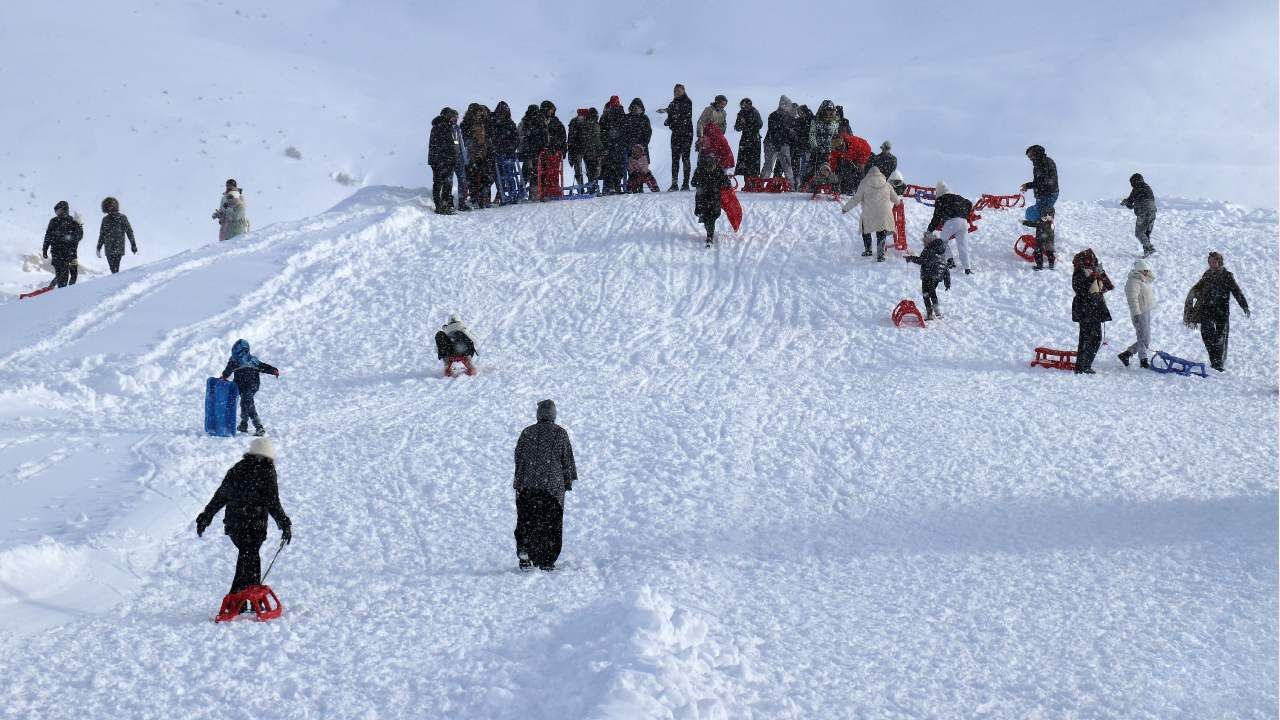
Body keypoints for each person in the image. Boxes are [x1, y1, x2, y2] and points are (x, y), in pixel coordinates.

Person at [196, 437, 292, 600]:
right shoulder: (267, 471)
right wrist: (284, 523)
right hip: (254, 525)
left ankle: (247, 598)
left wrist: (207, 515)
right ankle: (238, 598)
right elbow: (272, 502)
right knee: (250, 558)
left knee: (249, 557)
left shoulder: (238, 469)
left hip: (235, 525)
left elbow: (221, 496)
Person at [513, 399, 577, 572]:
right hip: (552, 489)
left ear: (538, 415)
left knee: (527, 520)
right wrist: (566, 482)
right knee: (551, 525)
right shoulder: (560, 434)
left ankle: (525, 551)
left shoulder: (527, 433)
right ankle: (547, 559)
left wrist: (518, 483)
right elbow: (567, 461)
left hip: (528, 486)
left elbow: (519, 459)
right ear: (553, 415)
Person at [1184, 251, 1250, 372]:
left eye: (1214, 261)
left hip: (1221, 311)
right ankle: (1214, 360)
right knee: (1207, 335)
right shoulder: (1207, 275)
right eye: (1209, 261)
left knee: (1220, 338)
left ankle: (1218, 363)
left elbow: (1236, 291)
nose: (1211, 263)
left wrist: (1244, 306)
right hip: (1206, 310)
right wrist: (1193, 294)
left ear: (1219, 262)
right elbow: (1199, 288)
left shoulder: (1227, 276)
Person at [219, 339, 280, 436]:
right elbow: (228, 370)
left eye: (239, 352)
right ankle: (243, 424)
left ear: (245, 351)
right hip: (241, 385)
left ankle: (259, 427)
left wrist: (272, 370)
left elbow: (263, 366)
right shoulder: (234, 360)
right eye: (236, 352)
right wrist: (224, 376)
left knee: (248, 402)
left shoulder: (252, 360)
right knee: (244, 403)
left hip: (252, 385)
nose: (238, 355)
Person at [841, 167, 900, 261]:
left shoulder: (864, 183)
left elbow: (856, 199)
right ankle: (880, 254)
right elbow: (896, 199)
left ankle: (868, 250)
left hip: (869, 212)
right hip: (883, 213)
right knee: (881, 233)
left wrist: (846, 208)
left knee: (866, 230)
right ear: (880, 174)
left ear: (868, 174)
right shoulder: (887, 184)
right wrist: (898, 203)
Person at [692, 123, 735, 247]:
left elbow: (725, 184)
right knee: (710, 215)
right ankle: (709, 235)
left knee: (710, 215)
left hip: (711, 197)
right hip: (707, 197)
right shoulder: (706, 170)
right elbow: (694, 182)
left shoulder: (711, 170)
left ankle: (709, 233)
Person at [1071, 249, 1113, 374]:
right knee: (1087, 338)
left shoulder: (1093, 271)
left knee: (1095, 338)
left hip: (1095, 308)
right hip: (1085, 309)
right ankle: (1082, 366)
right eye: (1092, 260)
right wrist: (1091, 278)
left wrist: (1101, 274)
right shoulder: (1079, 272)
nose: (1094, 262)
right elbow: (1080, 290)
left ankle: (1085, 365)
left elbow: (1105, 287)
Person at [926, 181, 976, 274]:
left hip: (951, 222)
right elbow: (969, 204)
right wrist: (963, 212)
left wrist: (930, 230)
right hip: (963, 222)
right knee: (963, 245)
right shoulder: (959, 198)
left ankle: (950, 261)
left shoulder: (940, 200)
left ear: (938, 192)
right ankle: (967, 268)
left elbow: (936, 218)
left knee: (943, 241)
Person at [1118, 258, 1156, 369]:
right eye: (1144, 270)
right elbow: (1132, 300)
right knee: (1143, 337)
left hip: (1146, 311)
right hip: (1139, 313)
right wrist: (1136, 314)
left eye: (1147, 270)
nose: (1147, 272)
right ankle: (1143, 360)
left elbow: (1152, 277)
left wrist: (1146, 269)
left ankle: (1127, 354)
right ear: (1139, 270)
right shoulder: (1133, 282)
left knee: (1145, 338)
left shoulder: (1142, 279)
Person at [905, 234, 951, 320]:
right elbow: (945, 267)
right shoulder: (941, 250)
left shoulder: (929, 249)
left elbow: (923, 260)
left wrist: (911, 258)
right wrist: (947, 281)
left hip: (928, 273)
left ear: (929, 241)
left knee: (926, 293)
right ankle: (936, 310)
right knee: (931, 291)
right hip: (938, 274)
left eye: (924, 241)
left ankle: (930, 313)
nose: (924, 243)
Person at [657, 84, 694, 191]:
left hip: (686, 134)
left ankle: (685, 184)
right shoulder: (672, 103)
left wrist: (669, 116)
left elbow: (682, 114)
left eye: (678, 91)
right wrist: (668, 120)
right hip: (676, 134)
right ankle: (674, 184)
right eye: (675, 91)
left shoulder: (687, 102)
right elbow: (672, 115)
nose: (676, 92)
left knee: (685, 158)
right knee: (675, 159)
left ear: (683, 91)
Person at [42, 201, 83, 288]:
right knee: (62, 276)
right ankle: (61, 294)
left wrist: (79, 225)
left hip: (71, 253)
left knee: (74, 275)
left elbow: (79, 236)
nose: (57, 213)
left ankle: (69, 291)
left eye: (59, 210)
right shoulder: (54, 221)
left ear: (65, 209)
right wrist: (45, 249)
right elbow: (48, 236)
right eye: (56, 211)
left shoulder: (72, 221)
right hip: (57, 253)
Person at [428, 108, 460, 215]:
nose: (454, 119)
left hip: (436, 159)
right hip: (444, 160)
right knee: (446, 182)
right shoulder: (445, 126)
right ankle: (443, 205)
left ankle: (439, 205)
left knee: (438, 182)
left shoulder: (436, 126)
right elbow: (449, 145)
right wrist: (453, 157)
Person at [95, 197, 137, 273]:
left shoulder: (122, 218)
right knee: (113, 268)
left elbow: (129, 232)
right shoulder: (105, 219)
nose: (110, 209)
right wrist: (98, 247)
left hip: (118, 247)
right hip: (109, 248)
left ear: (115, 207)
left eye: (111, 206)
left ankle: (116, 282)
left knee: (115, 268)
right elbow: (102, 234)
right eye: (108, 207)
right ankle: (115, 281)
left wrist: (133, 245)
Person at [464, 105, 494, 209]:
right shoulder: (469, 124)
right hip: (474, 155)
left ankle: (482, 198)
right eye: (478, 112)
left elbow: (486, 139)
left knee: (483, 177)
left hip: (482, 154)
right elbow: (469, 140)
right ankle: (479, 198)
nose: (479, 114)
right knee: (476, 177)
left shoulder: (482, 123)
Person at [1121, 173, 1157, 257]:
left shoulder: (1137, 188)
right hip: (1153, 210)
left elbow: (1130, 202)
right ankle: (1147, 252)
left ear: (1134, 181)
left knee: (1139, 232)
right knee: (1146, 232)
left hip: (1144, 210)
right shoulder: (1147, 187)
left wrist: (1125, 202)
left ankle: (1149, 248)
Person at [760, 95, 794, 184]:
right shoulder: (773, 115)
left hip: (784, 144)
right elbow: (774, 130)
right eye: (786, 105)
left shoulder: (790, 118)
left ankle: (792, 185)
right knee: (769, 165)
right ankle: (761, 183)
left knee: (787, 165)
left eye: (788, 105)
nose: (787, 107)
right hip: (771, 143)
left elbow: (790, 133)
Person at [1020, 144, 1058, 222]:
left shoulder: (1044, 163)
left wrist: (1028, 185)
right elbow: (1038, 181)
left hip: (1048, 194)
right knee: (1031, 212)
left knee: (1031, 214)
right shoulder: (1039, 164)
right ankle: (1046, 218)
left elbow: (1043, 181)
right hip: (1043, 194)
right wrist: (1028, 186)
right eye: (1028, 156)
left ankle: (1046, 221)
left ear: (1036, 153)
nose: (1030, 158)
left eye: (1030, 155)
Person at [600, 96, 628, 195]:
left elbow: (602, 129)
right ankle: (615, 186)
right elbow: (624, 129)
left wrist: (606, 140)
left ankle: (610, 186)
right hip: (617, 145)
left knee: (610, 166)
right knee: (616, 166)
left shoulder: (607, 114)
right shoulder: (621, 113)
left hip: (612, 145)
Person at [807, 101, 840, 183]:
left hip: (830, 149)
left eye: (831, 110)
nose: (829, 112)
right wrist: (814, 145)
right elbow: (812, 133)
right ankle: (809, 183)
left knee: (829, 167)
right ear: (823, 110)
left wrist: (835, 146)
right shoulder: (816, 120)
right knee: (813, 166)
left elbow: (835, 134)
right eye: (827, 109)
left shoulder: (835, 121)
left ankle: (831, 184)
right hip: (818, 147)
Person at [733, 98, 762, 178]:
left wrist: (748, 125)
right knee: (744, 161)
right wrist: (741, 124)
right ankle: (747, 183)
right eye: (742, 105)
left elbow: (759, 125)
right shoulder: (741, 114)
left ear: (749, 105)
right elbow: (737, 127)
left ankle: (754, 182)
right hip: (745, 139)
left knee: (754, 161)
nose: (743, 107)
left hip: (754, 139)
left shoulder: (755, 112)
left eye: (745, 105)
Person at [790, 104, 813, 188]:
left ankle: (804, 183)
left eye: (800, 112)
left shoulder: (810, 120)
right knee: (796, 165)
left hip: (807, 146)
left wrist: (799, 134)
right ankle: (796, 183)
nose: (799, 114)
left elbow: (809, 133)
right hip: (799, 146)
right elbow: (795, 130)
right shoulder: (799, 120)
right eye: (798, 112)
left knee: (805, 165)